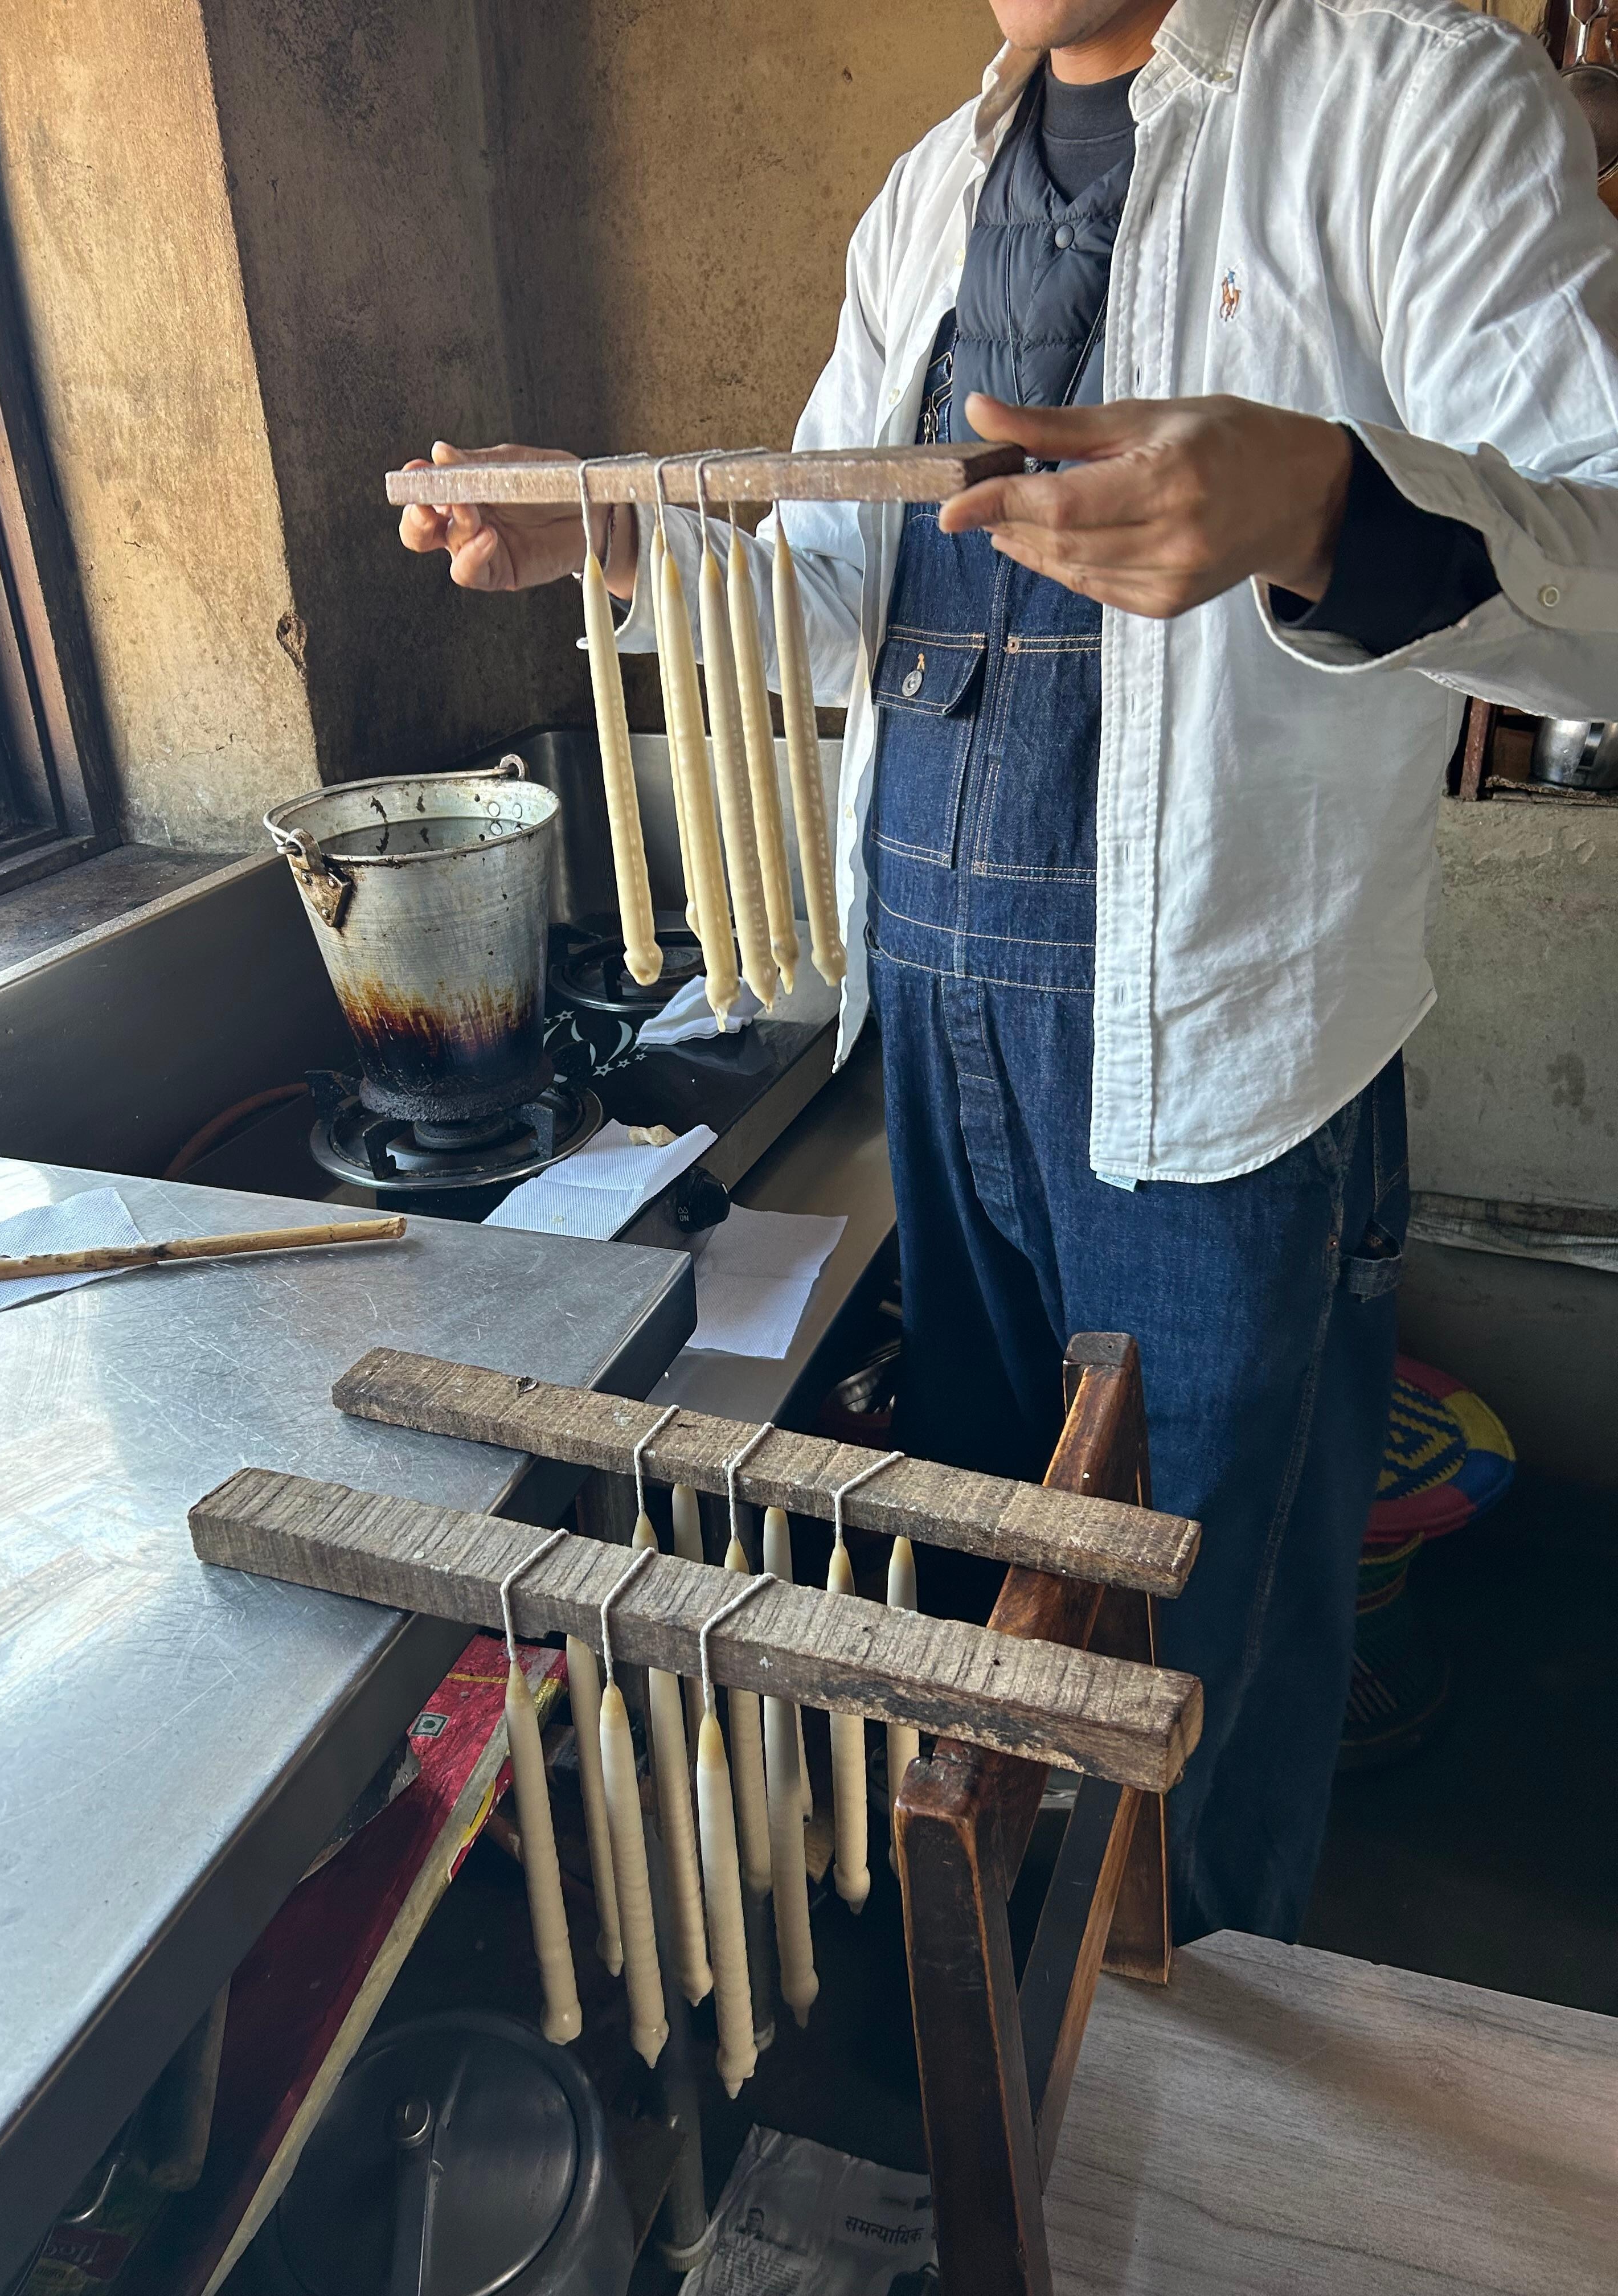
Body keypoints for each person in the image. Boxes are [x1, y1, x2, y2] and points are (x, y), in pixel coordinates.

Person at [399, 0, 1618, 1942]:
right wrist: (621, 544)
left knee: (1187, 1666)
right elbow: (833, 601)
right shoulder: (926, 198)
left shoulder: (1414, 103)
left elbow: (1606, 573)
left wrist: (1325, 507)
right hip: (935, 1034)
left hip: (1216, 1074)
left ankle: (1191, 2047)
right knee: (994, 1603)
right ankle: (1015, 2021)